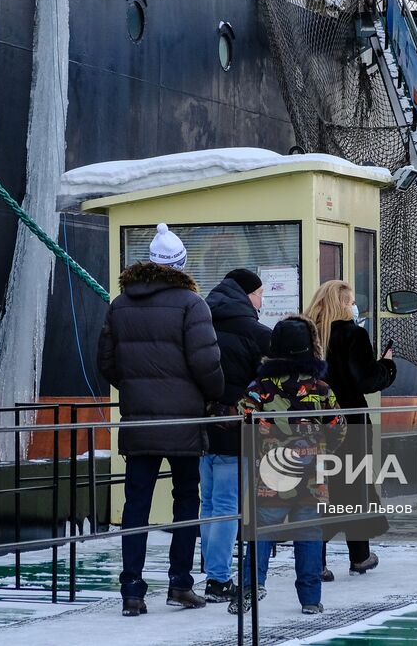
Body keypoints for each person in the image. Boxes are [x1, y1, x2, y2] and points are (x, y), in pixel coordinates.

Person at [97, 224, 225, 616]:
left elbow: (107, 364)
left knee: (136, 504)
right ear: (181, 264)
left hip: (138, 421)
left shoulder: (120, 305)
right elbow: (207, 364)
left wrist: (136, 388)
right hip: (184, 422)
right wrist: (212, 394)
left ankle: (132, 591)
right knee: (186, 499)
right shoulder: (191, 304)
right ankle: (179, 584)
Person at [232, 316, 345, 616]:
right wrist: (321, 451)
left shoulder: (260, 388)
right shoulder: (321, 389)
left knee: (263, 531)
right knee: (308, 534)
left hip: (272, 475)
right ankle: (310, 599)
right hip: (312, 477)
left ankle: (249, 588)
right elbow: (338, 426)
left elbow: (244, 418)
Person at [307, 280, 396, 576]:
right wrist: (386, 365)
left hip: (314, 423)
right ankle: (359, 555)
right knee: (355, 486)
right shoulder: (353, 335)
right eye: (350, 302)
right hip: (349, 421)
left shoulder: (308, 333)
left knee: (321, 488)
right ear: (341, 304)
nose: (353, 307)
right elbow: (365, 380)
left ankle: (315, 560)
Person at [199, 269, 272, 603]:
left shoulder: (201, 323)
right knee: (228, 504)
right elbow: (266, 385)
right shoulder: (256, 333)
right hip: (238, 426)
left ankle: (210, 569)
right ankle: (217, 579)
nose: (261, 301)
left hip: (202, 425)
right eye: (259, 294)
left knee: (209, 502)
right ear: (247, 294)